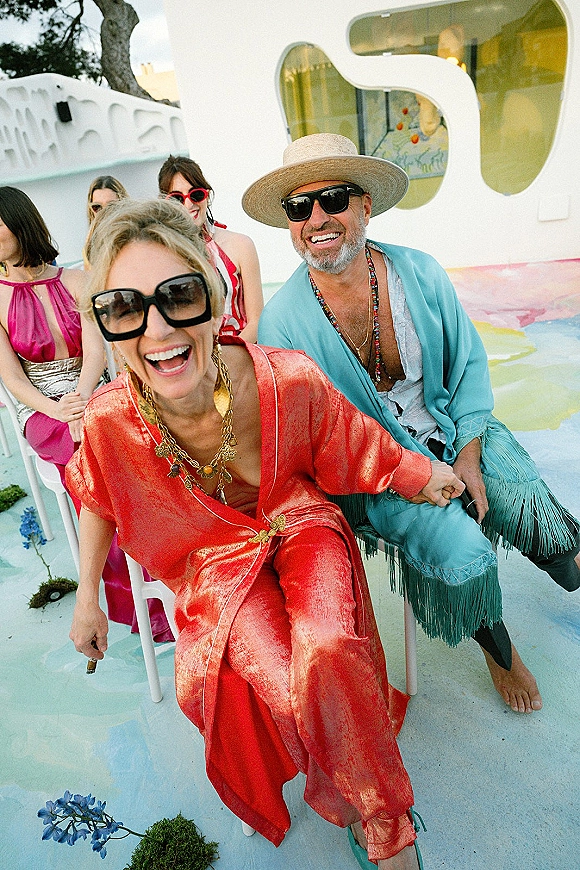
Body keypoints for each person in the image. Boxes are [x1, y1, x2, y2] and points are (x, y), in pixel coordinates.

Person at [68, 198, 465, 869]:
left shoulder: (283, 377)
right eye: (126, 308)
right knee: (286, 681)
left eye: (179, 295)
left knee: (332, 646)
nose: (157, 328)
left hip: (298, 519)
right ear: (108, 324)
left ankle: (386, 824)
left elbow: (354, 439)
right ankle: (352, 784)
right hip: (213, 563)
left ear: (215, 296)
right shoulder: (111, 420)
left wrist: (422, 475)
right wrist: (86, 598)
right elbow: (99, 495)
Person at [245, 133, 580, 715]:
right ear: (290, 224)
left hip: (451, 426)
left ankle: (570, 569)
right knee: (455, 540)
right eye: (300, 207)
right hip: (374, 471)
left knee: (518, 494)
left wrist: (468, 455)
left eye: (334, 198)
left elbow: (469, 363)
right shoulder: (283, 325)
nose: (318, 217)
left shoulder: (418, 274)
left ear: (365, 206)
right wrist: (415, 475)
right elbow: (318, 441)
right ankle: (500, 652)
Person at [0, 186, 170, 642]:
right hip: (42, 409)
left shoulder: (76, 280)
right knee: (94, 462)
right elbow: (13, 381)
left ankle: (169, 572)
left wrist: (81, 398)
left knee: (126, 442)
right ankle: (136, 603)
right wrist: (59, 408)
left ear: (20, 222)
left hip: (90, 393)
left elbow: (96, 350)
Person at [158, 155, 263, 342]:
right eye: (177, 198)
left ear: (207, 195)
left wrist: (226, 362)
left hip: (242, 355)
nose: (189, 203)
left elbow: (257, 321)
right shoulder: (163, 257)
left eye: (195, 194)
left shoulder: (241, 245)